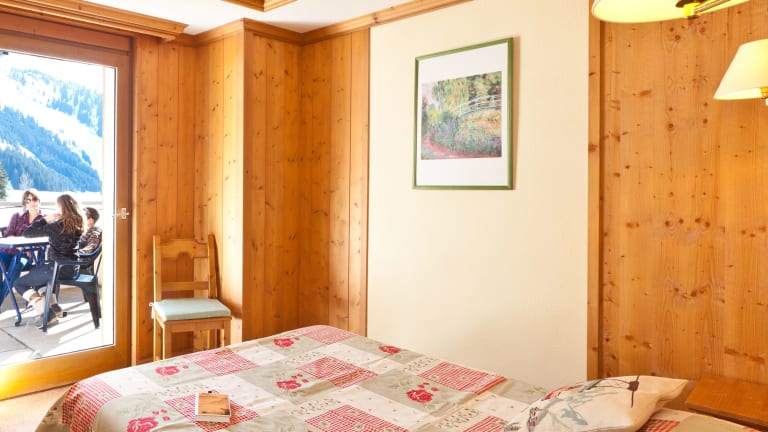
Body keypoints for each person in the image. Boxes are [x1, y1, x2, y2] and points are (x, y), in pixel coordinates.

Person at [13, 194, 83, 329]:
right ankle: (55, 307)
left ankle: (46, 312)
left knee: (19, 283)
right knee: (36, 275)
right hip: (72, 269)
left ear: (61, 208)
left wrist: (45, 219)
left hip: (56, 269)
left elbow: (28, 233)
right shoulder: (79, 223)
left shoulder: (57, 226)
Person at [0, 190, 45, 274]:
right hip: (8, 251)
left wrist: (28, 248)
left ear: (39, 201)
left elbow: (44, 240)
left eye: (34, 199)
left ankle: (7, 284)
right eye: (28, 200)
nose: (32, 202)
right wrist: (21, 247)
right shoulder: (17, 216)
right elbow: (8, 235)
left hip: (27, 255)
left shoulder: (44, 219)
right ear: (25, 203)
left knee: (17, 264)